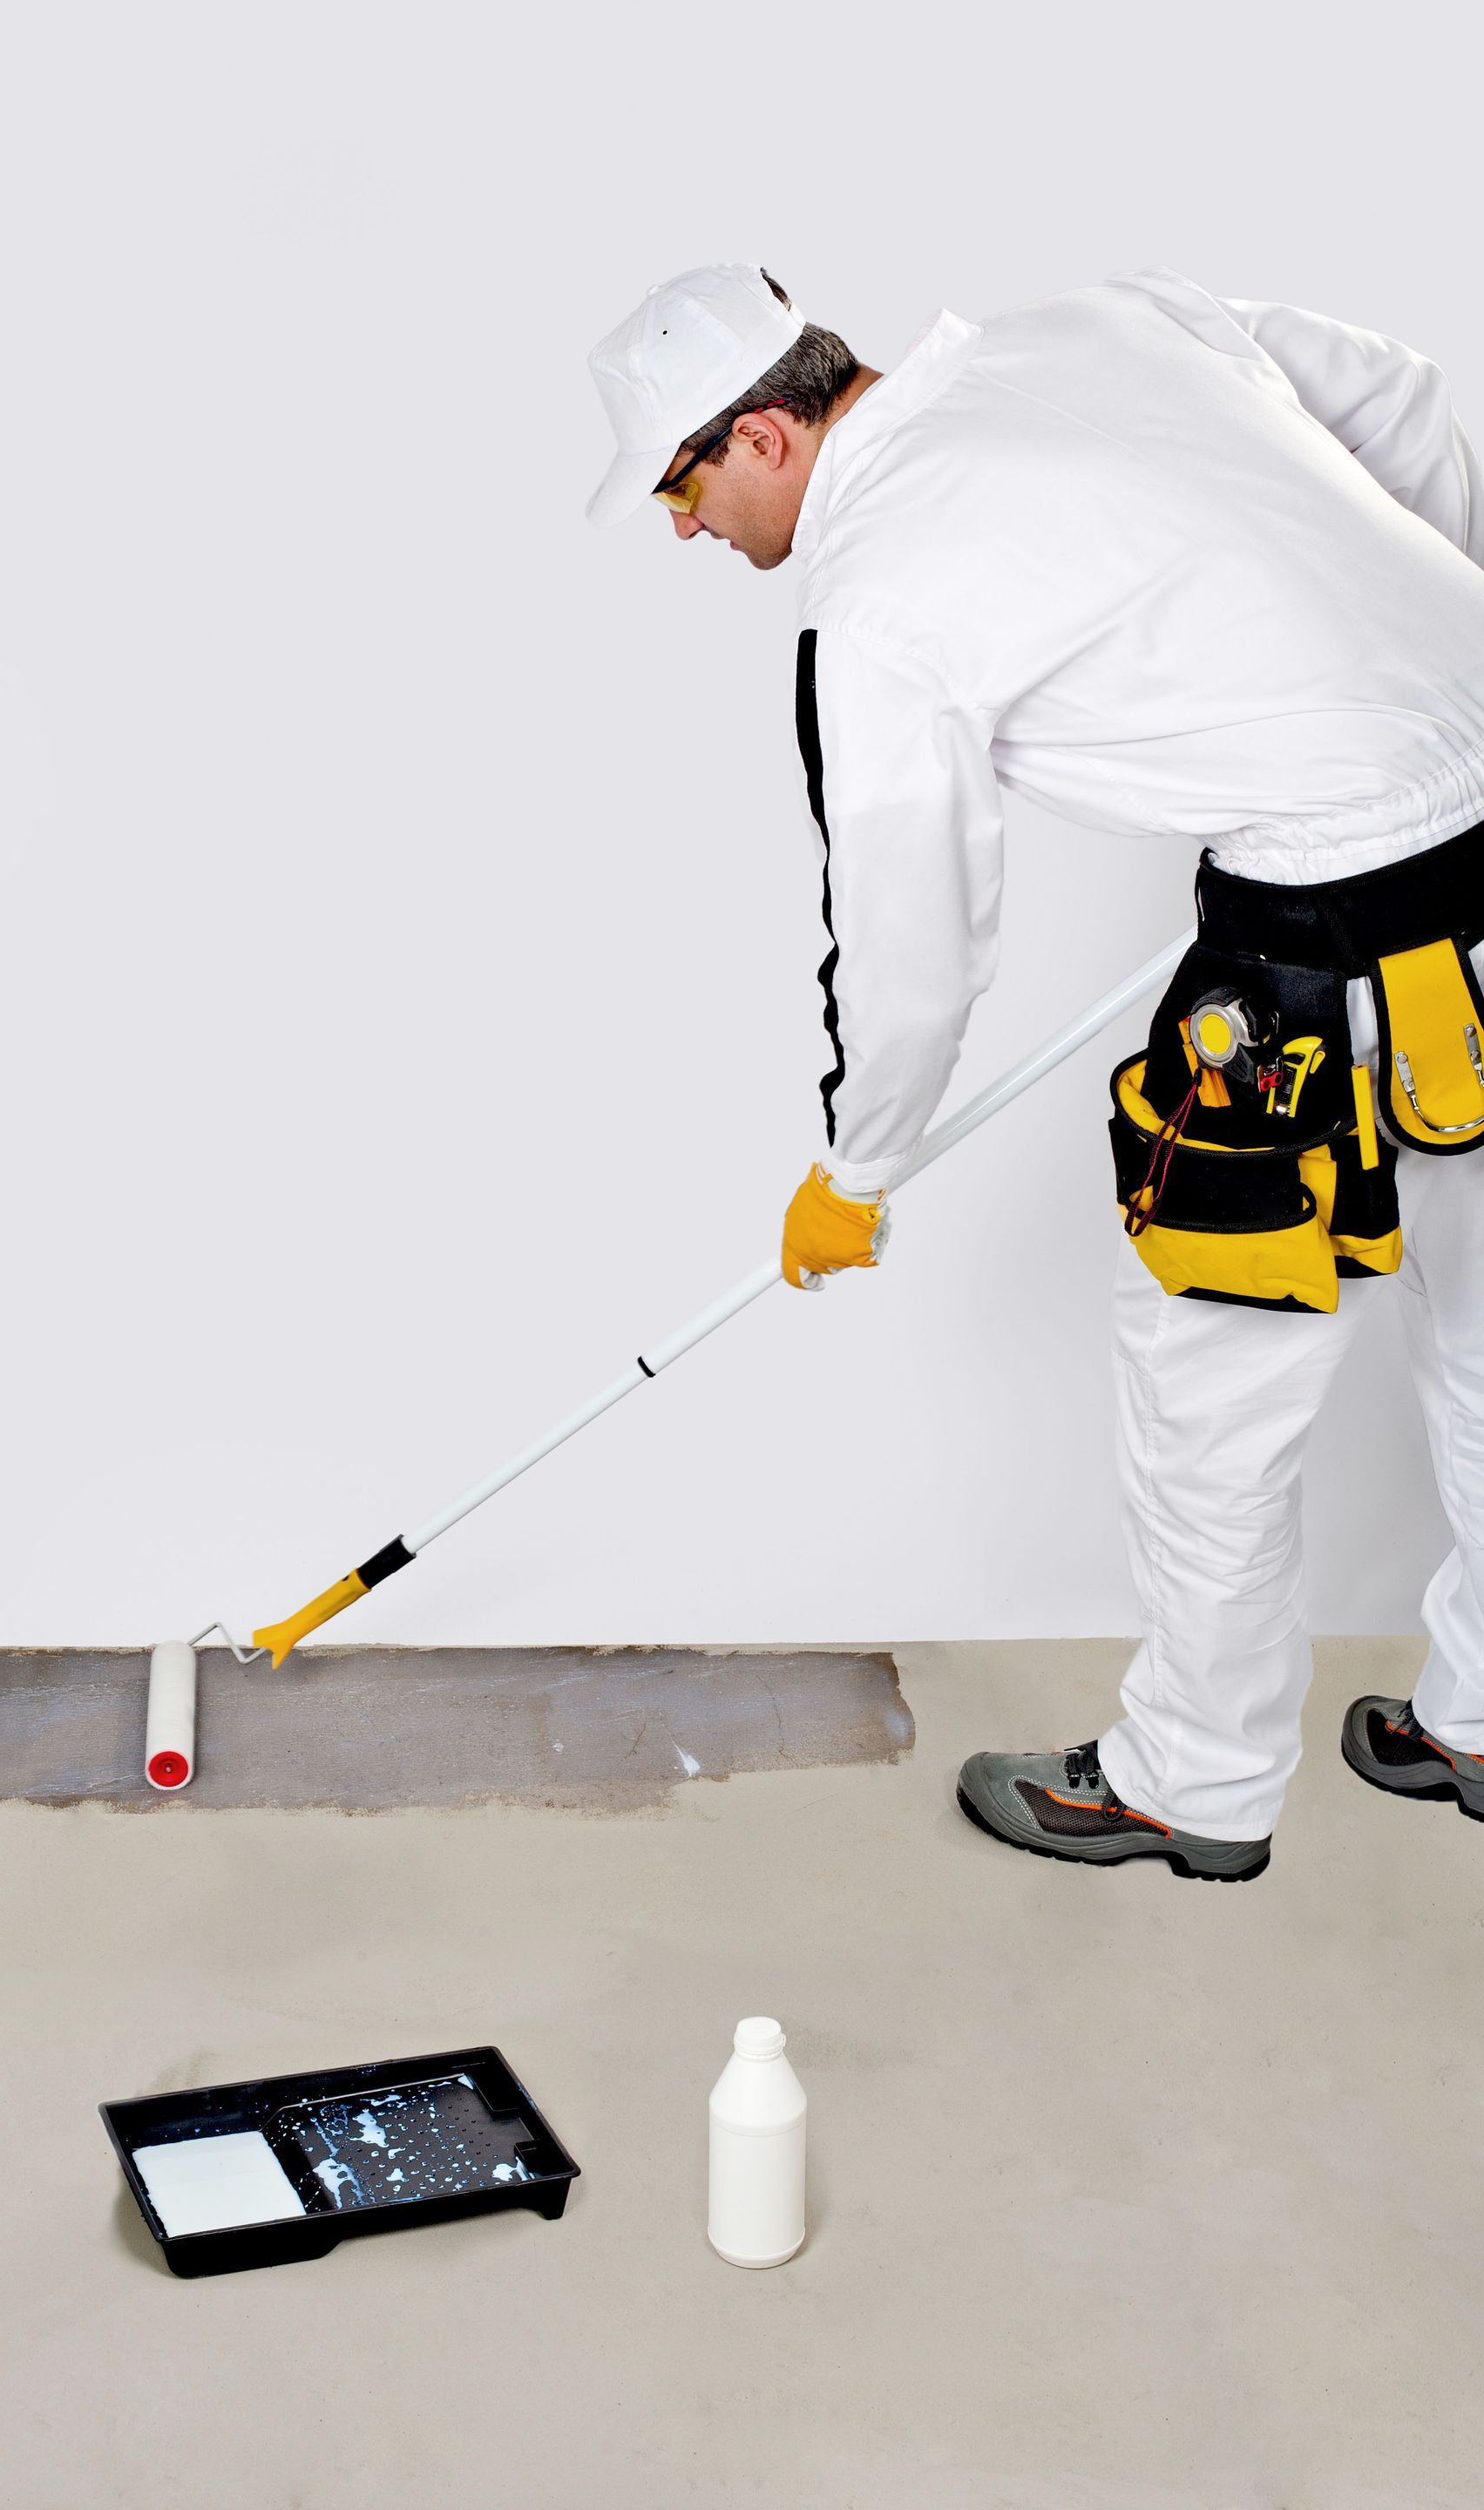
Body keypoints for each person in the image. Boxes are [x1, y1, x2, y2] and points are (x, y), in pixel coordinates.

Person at [586, 261, 1484, 1882]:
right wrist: (1429, 685)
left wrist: (855, 1174)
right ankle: (1482, 1713)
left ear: (768, 435)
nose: (682, 527)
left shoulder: (873, 601)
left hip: (1313, 965)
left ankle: (1190, 1785)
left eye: (682, 481)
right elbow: (1407, 400)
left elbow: (912, 943)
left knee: (1209, 1400)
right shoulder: (1107, 317)